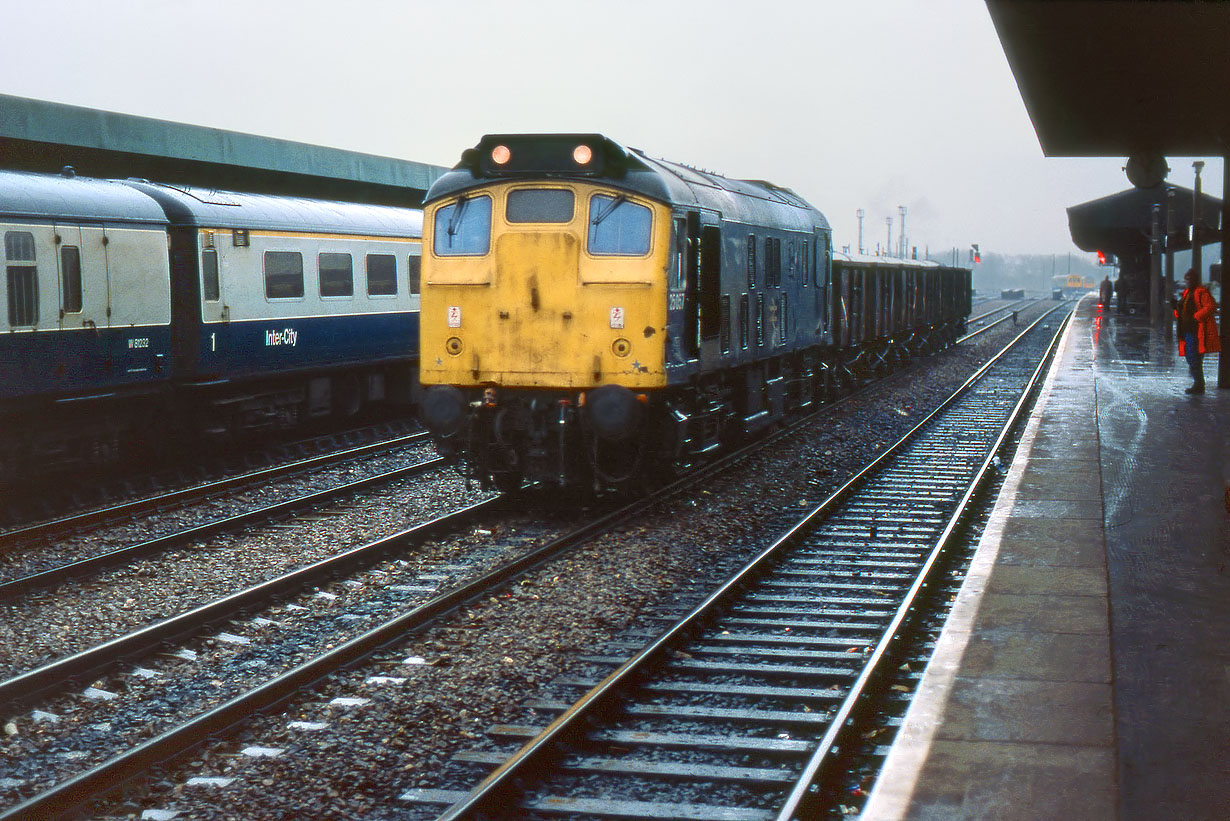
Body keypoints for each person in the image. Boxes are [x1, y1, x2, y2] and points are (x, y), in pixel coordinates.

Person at [1173, 268, 1221, 394]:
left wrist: (1196, 317)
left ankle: (1199, 384)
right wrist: (1176, 309)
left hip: (1196, 330)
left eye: (1189, 279)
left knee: (1194, 356)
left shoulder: (1200, 292)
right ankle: (1198, 383)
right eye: (1186, 279)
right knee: (1191, 356)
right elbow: (1182, 312)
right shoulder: (1188, 293)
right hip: (1188, 330)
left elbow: (1210, 306)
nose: (1187, 282)